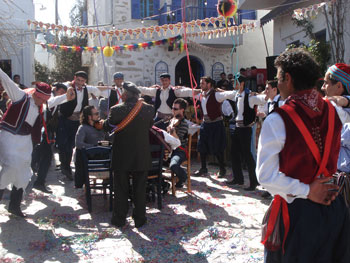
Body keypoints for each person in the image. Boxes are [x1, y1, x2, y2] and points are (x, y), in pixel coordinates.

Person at [257, 49, 350, 262]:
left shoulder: (277, 120)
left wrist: (307, 190)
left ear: (287, 78)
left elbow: (266, 177)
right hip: (333, 204)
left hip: (297, 212)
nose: (277, 84)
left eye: (278, 77)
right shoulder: (334, 110)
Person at [0, 68, 51, 217]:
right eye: (41, 99)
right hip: (9, 136)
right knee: (10, 167)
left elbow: (55, 100)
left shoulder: (40, 106)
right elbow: (7, 81)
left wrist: (66, 97)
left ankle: (14, 207)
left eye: (45, 100)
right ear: (36, 93)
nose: (42, 102)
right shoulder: (20, 96)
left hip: (26, 141)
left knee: (23, 173)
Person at [103, 81, 154, 228]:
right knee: (140, 189)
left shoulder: (116, 109)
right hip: (141, 155)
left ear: (125, 94)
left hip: (122, 155)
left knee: (120, 189)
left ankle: (119, 219)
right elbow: (149, 125)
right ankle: (140, 219)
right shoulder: (149, 109)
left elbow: (107, 127)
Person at [56, 71, 110, 180]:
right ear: (74, 78)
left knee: (71, 144)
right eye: (78, 80)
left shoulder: (87, 88)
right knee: (63, 144)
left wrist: (112, 89)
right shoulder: (68, 86)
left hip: (76, 120)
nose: (80, 83)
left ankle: (66, 166)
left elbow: (100, 90)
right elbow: (58, 88)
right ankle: (64, 166)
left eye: (83, 81)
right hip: (65, 118)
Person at [32, 83, 75, 193]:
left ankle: (39, 181)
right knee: (36, 155)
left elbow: (58, 101)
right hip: (36, 129)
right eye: (61, 91)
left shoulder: (53, 99)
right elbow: (55, 101)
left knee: (45, 156)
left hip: (45, 130)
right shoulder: (48, 98)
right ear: (55, 89)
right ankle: (35, 180)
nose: (61, 94)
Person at [226, 75, 266, 190]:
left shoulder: (250, 96)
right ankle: (238, 179)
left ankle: (253, 182)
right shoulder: (236, 95)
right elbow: (227, 93)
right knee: (234, 153)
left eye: (236, 82)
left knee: (248, 155)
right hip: (237, 127)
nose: (234, 85)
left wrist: (261, 94)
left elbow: (263, 99)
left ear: (242, 83)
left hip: (246, 128)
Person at [194, 76, 238, 178]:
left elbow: (232, 94)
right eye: (200, 83)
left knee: (218, 148)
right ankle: (203, 168)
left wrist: (227, 90)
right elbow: (189, 92)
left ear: (209, 84)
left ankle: (222, 169)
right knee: (202, 147)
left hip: (216, 124)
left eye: (203, 83)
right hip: (205, 124)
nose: (201, 85)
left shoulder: (217, 95)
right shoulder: (201, 94)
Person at [321, 63, 350, 175]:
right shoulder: (332, 109)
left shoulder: (342, 114)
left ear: (339, 86)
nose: (322, 87)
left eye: (326, 83)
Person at [74, 105, 107, 188]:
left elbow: (108, 140)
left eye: (98, 113)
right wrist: (94, 146)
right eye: (96, 114)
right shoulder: (83, 128)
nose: (98, 115)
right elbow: (78, 144)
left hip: (103, 156)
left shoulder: (101, 126)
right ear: (89, 117)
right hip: (92, 158)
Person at [167, 98, 189, 188]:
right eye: (172, 108)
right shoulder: (172, 120)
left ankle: (184, 177)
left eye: (175, 109)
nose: (172, 110)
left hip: (179, 150)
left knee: (174, 165)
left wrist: (172, 132)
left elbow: (178, 142)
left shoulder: (184, 123)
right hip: (169, 149)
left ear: (182, 110)